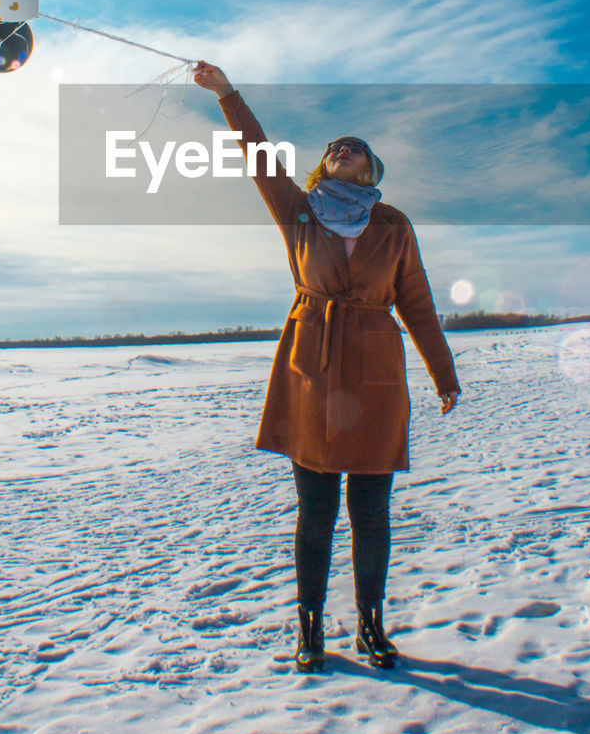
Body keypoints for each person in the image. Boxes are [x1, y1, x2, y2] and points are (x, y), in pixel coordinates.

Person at [192, 61, 461, 672]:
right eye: (336, 147)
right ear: (325, 164)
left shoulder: (393, 226)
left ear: (372, 172)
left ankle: (371, 625)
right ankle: (309, 626)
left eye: (357, 150)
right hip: (309, 372)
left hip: (375, 378)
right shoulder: (301, 211)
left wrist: (442, 373)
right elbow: (260, 158)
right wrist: (228, 94)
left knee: (370, 513)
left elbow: (415, 300)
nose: (345, 150)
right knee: (315, 511)